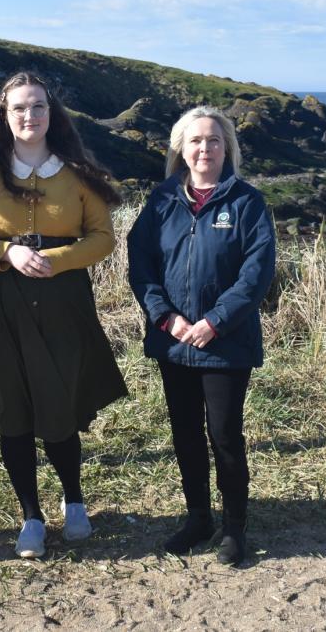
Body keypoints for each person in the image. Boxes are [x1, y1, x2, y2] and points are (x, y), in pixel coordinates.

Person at [0, 72, 127, 559]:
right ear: (4, 117)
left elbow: (103, 238)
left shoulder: (75, 171)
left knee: (60, 402)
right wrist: (6, 252)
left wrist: (58, 259)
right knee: (12, 406)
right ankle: (30, 515)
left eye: (38, 107)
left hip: (63, 300)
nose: (30, 116)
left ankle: (74, 502)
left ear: (52, 114)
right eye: (20, 109)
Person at [126, 106, 276, 566]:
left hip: (225, 342)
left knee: (225, 434)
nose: (205, 149)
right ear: (181, 149)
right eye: (196, 141)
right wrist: (166, 318)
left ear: (227, 148)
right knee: (185, 434)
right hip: (174, 341)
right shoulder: (161, 201)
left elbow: (256, 273)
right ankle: (197, 519)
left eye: (214, 141)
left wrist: (214, 322)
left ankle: (234, 527)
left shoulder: (247, 202)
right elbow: (141, 264)